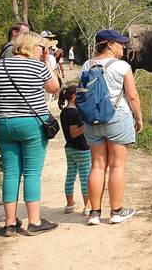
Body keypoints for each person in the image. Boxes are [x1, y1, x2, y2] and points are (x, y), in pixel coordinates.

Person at [0, 32, 60, 236]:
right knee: (32, 173)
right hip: (32, 124)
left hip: (3, 124)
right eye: (42, 47)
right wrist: (47, 61)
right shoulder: (38, 66)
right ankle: (34, 222)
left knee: (11, 173)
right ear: (35, 47)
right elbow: (55, 87)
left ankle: (9, 224)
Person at [82, 29, 143, 225]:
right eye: (120, 43)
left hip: (92, 120)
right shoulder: (122, 66)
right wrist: (139, 118)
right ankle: (116, 212)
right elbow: (132, 96)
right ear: (109, 44)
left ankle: (94, 213)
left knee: (97, 165)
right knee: (118, 165)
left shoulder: (86, 65)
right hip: (117, 117)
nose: (123, 46)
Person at [58, 85, 91, 216]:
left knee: (70, 175)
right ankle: (88, 206)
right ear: (74, 97)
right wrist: (86, 125)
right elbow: (74, 132)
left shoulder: (64, 112)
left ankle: (69, 204)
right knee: (85, 177)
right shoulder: (74, 113)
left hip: (70, 148)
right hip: (81, 149)